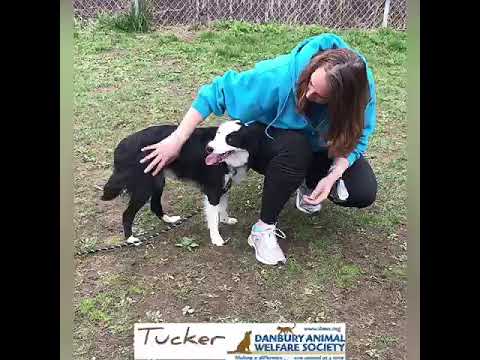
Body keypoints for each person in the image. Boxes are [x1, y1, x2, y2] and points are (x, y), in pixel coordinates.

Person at [140, 33, 377, 266]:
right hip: (269, 143)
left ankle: (307, 182)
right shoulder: (278, 75)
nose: (308, 94)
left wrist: (333, 175)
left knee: (361, 191)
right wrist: (177, 138)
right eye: (310, 84)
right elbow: (216, 92)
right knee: (297, 148)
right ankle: (262, 230)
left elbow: (357, 137)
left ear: (343, 101)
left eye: (321, 97)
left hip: (319, 148)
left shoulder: (360, 95)